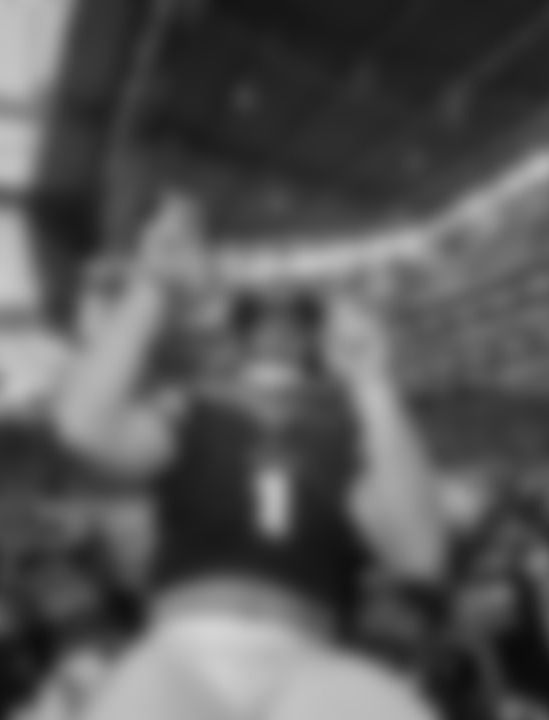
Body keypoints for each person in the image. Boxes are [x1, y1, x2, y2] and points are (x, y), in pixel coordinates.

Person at [49, 194, 447, 720]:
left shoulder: (346, 431)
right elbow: (86, 427)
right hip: (184, 648)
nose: (277, 331)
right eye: (262, 318)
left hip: (309, 659)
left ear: (314, 338)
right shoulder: (193, 409)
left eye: (294, 321)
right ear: (240, 334)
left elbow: (420, 553)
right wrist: (152, 288)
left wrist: (374, 384)